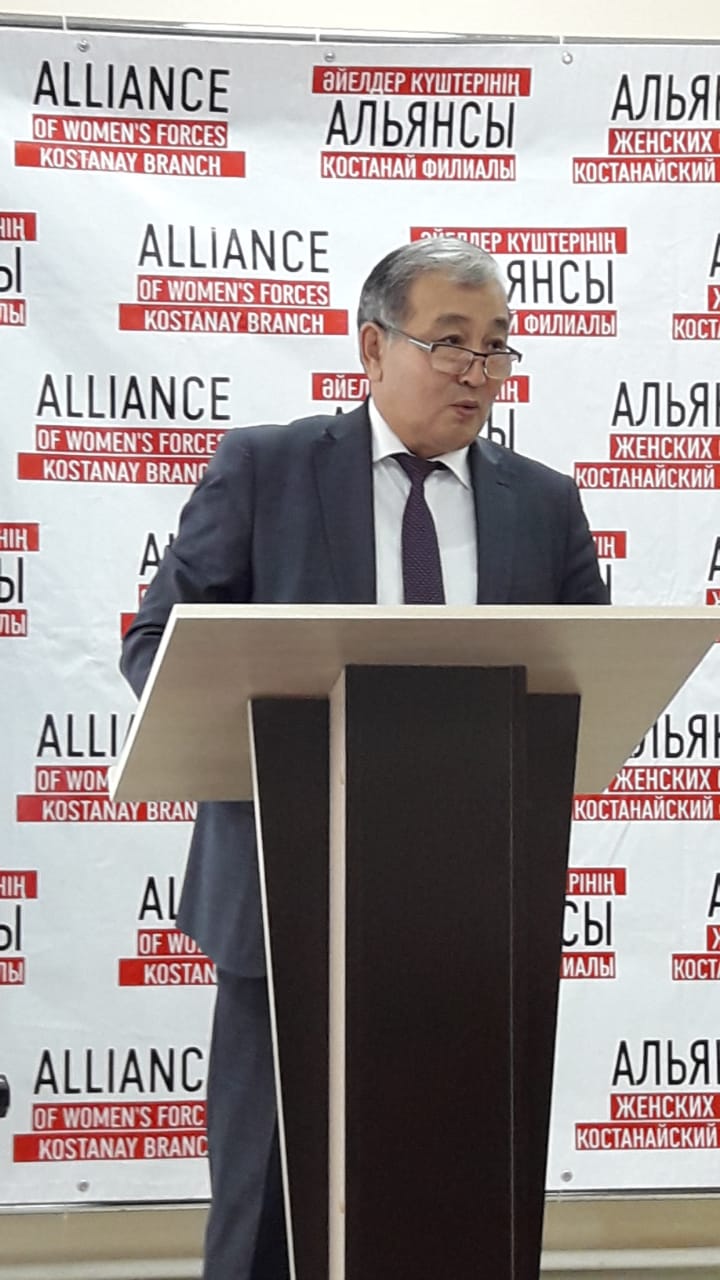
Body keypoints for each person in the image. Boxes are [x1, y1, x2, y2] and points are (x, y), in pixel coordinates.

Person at [120, 236, 609, 1279]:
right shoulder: (267, 468)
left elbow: (588, 681)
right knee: (265, 1207)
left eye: (496, 346)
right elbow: (157, 643)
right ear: (373, 348)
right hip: (286, 896)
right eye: (450, 343)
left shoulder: (545, 503)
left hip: (477, 915)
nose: (478, 371)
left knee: (461, 1196)